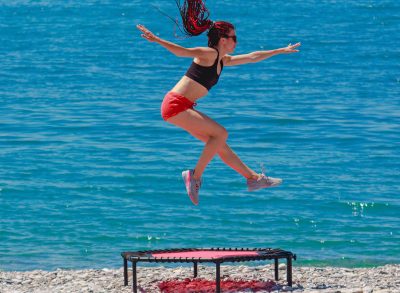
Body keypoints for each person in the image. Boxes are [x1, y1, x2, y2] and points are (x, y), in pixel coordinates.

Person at [136, 0, 300, 205]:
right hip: (175, 105)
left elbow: (252, 57)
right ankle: (194, 177)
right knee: (220, 134)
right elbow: (182, 52)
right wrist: (157, 39)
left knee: (219, 144)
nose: (236, 42)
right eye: (234, 38)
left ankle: (254, 179)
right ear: (223, 39)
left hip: (182, 107)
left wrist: (279, 51)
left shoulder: (223, 60)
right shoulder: (209, 54)